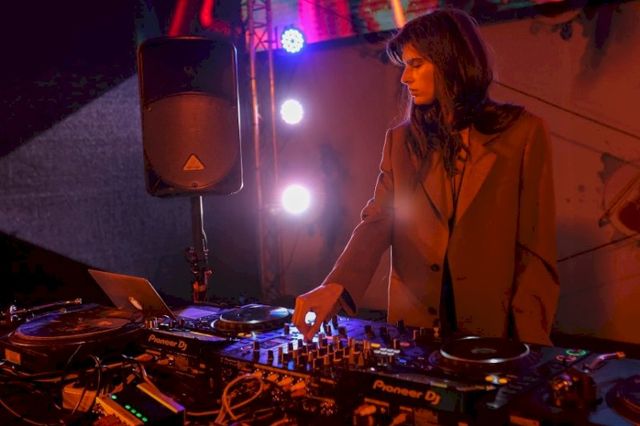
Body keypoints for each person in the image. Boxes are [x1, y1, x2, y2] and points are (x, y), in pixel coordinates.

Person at [291, 8, 559, 346]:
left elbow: (535, 248)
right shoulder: (401, 141)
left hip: (493, 328)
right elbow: (378, 220)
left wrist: (532, 343)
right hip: (415, 327)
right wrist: (336, 286)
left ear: (451, 61)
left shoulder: (523, 132)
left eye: (416, 64)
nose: (405, 78)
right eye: (405, 66)